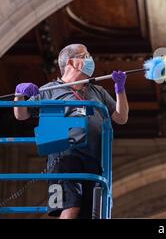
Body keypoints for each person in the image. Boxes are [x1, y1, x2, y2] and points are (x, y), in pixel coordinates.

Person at [13, 44, 129, 219]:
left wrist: (120, 89)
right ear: (71, 62)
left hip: (94, 159)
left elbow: (121, 117)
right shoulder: (49, 90)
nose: (90, 59)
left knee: (91, 213)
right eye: (85, 55)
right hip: (64, 158)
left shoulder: (97, 91)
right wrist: (19, 93)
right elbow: (21, 114)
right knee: (71, 206)